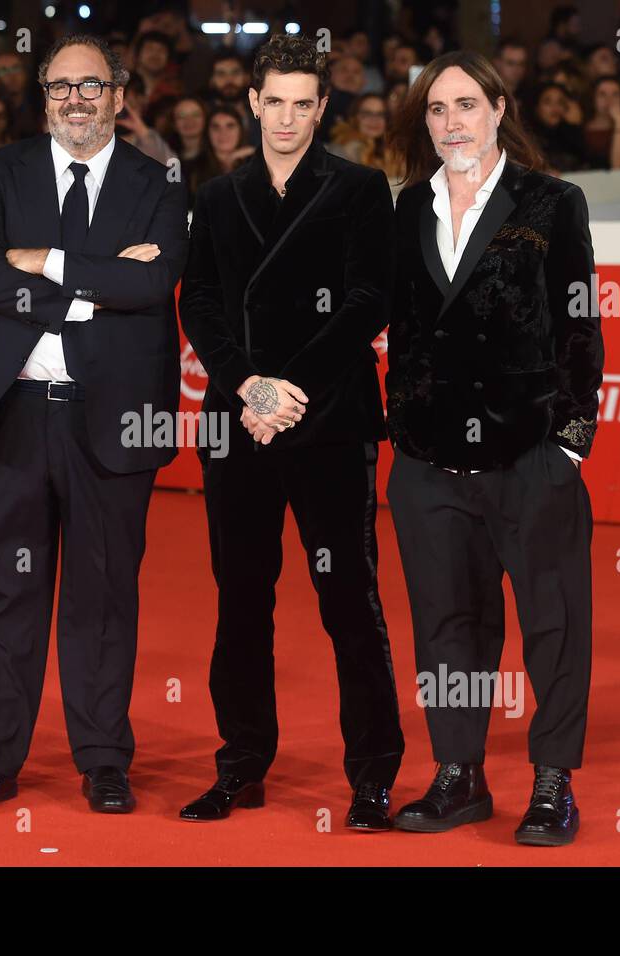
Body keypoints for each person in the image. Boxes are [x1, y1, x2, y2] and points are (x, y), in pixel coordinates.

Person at [0, 33, 188, 816]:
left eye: (91, 85)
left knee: (104, 596)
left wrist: (43, 261)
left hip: (113, 420)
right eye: (59, 86)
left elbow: (152, 285)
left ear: (120, 95)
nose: (74, 99)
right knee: (1, 594)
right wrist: (93, 289)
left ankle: (103, 759)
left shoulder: (161, 184)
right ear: (43, 96)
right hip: (9, 415)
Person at [177, 32, 405, 830]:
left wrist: (291, 386)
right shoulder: (216, 196)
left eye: (302, 104)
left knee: (348, 598)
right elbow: (197, 300)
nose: (286, 117)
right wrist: (246, 384)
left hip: (330, 423)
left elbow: (368, 301)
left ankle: (373, 774)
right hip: (238, 422)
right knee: (241, 598)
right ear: (251, 102)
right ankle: (241, 763)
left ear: (321, 107)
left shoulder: (359, 187)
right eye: (273, 101)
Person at [385, 51, 603, 846]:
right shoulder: (409, 207)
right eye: (437, 110)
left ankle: (552, 783)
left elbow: (580, 323)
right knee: (447, 624)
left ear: (499, 109)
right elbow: (401, 328)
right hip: (429, 464)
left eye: (466, 106)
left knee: (554, 624)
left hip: (530, 457)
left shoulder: (551, 203)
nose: (452, 123)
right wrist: (405, 430)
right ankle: (459, 774)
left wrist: (569, 444)